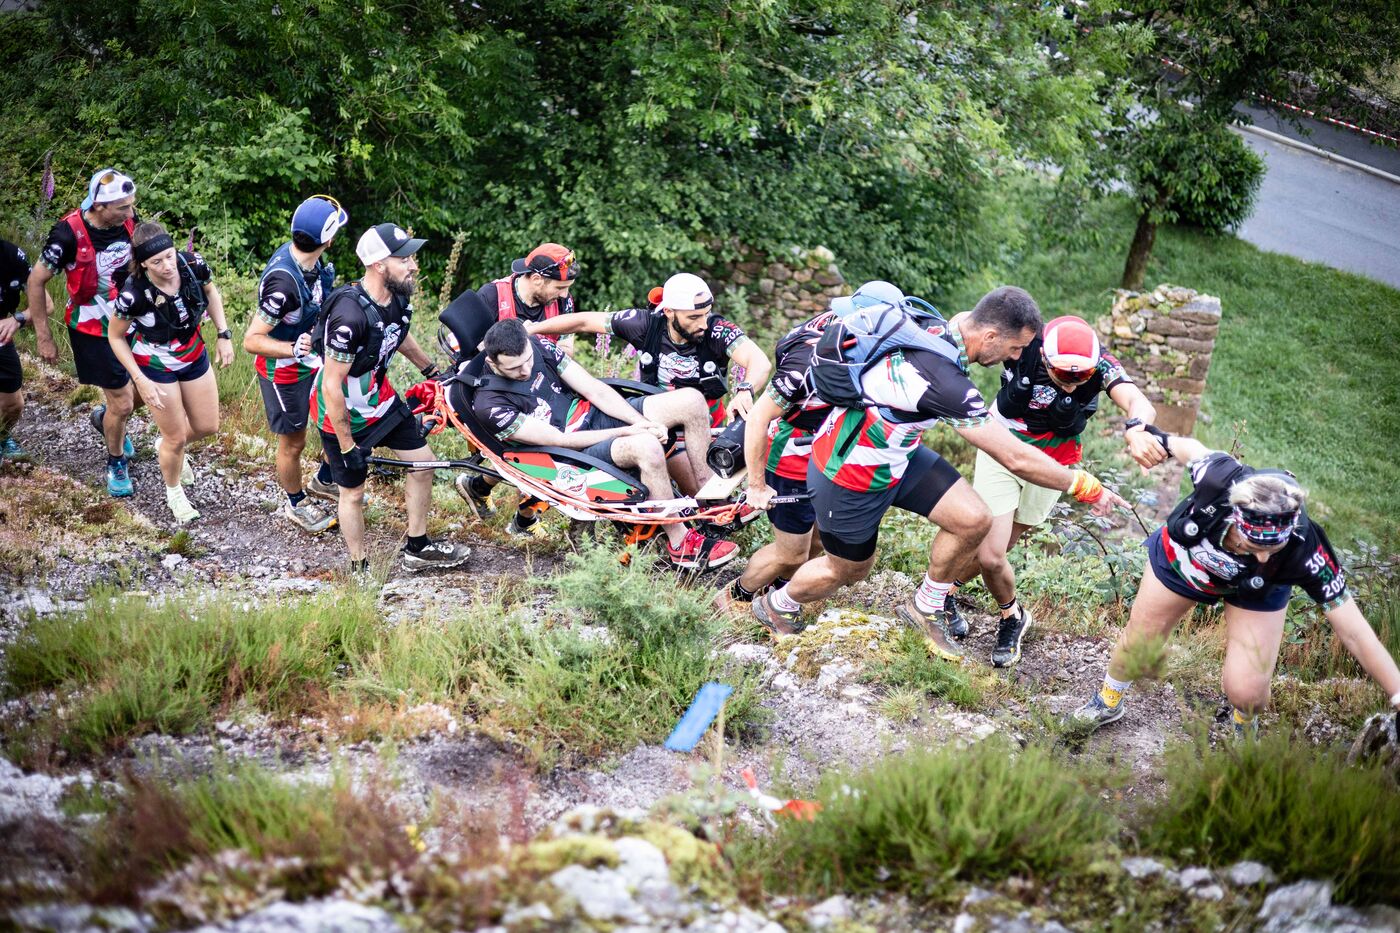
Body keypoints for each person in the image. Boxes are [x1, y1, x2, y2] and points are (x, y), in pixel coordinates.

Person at [750, 286, 1126, 662]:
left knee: (973, 519)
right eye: (1014, 348)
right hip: (850, 472)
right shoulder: (944, 382)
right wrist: (1084, 485)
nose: (1015, 357)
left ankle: (926, 607)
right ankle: (778, 606)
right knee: (847, 570)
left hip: (900, 455)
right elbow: (1014, 458)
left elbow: (974, 317)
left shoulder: (939, 325)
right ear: (990, 336)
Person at [1067, 433, 1400, 738]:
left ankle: (1243, 727)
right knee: (1139, 644)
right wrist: (1150, 438)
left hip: (1258, 588)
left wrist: (1397, 692)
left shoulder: (1307, 549)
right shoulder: (1218, 478)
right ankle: (1108, 701)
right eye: (1253, 546)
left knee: (1248, 691)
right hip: (1186, 561)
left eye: (1274, 549)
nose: (1264, 557)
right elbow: (1185, 446)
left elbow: (1354, 631)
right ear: (1236, 519)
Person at [936, 314, 1164, 668]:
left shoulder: (1100, 362)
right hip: (1004, 448)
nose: (1072, 384)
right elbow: (976, 326)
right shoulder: (1026, 344)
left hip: (1053, 467)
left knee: (999, 549)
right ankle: (1012, 616)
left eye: (1082, 377)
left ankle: (946, 594)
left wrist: (1136, 428)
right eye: (1062, 375)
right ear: (1044, 357)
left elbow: (1139, 401)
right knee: (991, 554)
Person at [471, 318, 739, 568]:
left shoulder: (539, 345)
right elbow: (560, 440)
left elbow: (594, 389)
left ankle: (710, 497)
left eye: (528, 360)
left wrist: (639, 422)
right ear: (493, 363)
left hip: (592, 415)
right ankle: (681, 543)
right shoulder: (489, 404)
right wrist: (629, 431)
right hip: (572, 453)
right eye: (514, 368)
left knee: (692, 401)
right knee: (646, 446)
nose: (526, 370)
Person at [720, 283, 911, 610]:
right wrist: (756, 485)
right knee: (790, 552)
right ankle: (732, 599)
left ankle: (776, 597)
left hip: (829, 451)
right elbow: (759, 418)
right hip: (791, 454)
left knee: (822, 539)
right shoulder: (807, 362)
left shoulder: (855, 331)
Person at [311, 222, 470, 574]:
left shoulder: (398, 296)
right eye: (404, 259)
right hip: (342, 411)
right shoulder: (349, 317)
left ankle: (418, 547)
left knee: (423, 463)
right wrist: (348, 447)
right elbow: (331, 386)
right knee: (352, 492)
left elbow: (397, 334)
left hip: (379, 399)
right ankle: (360, 567)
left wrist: (432, 371)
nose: (413, 265)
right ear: (379, 265)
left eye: (411, 257)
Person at [525, 271, 773, 493]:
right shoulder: (644, 324)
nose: (703, 324)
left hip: (708, 420)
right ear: (669, 312)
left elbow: (759, 361)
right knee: (693, 489)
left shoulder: (716, 330)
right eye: (694, 317)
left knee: (717, 487)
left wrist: (745, 389)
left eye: (706, 314)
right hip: (663, 419)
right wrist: (533, 330)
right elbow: (584, 322)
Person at [444, 242, 581, 528]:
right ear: (536, 278)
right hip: (496, 390)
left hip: (540, 380)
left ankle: (479, 487)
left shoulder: (562, 301)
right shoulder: (493, 296)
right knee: (539, 448)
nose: (563, 294)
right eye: (559, 287)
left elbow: (567, 349)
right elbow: (465, 351)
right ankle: (525, 522)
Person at [107, 223, 233, 521]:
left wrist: (223, 333)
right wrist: (139, 379)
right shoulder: (133, 294)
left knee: (207, 426)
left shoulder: (192, 264)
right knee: (175, 438)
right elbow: (115, 336)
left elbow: (211, 291)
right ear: (142, 264)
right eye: (156, 262)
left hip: (192, 351)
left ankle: (165, 446)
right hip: (156, 362)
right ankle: (174, 492)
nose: (167, 266)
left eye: (169, 256)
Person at [27, 168, 139, 495]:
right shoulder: (67, 235)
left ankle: (107, 419)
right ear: (100, 206)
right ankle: (115, 462)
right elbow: (36, 281)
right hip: (92, 328)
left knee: (145, 393)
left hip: (130, 320)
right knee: (124, 404)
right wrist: (44, 336)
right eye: (123, 207)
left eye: (131, 205)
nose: (130, 212)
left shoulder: (128, 221)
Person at [244, 195, 348, 534]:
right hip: (284, 371)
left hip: (314, 361)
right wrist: (292, 347)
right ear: (328, 240)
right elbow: (252, 340)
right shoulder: (283, 283)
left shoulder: (310, 262)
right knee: (294, 443)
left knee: (338, 418)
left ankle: (325, 479)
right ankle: (296, 503)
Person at [1, 238, 44, 462]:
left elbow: (46, 304)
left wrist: (17, 319)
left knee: (13, 404)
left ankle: (2, 437)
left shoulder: (11, 256)